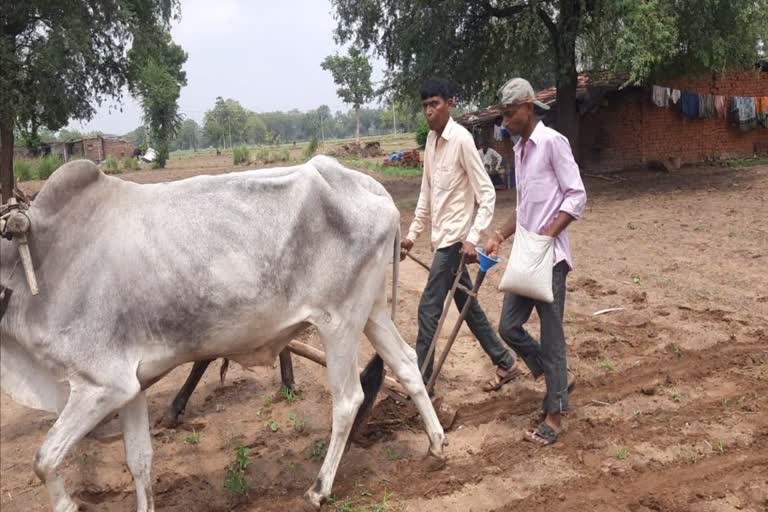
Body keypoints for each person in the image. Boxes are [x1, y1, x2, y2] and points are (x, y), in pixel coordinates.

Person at [483, 77, 587, 446]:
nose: (505, 121)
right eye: (504, 115)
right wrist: (498, 235)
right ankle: (556, 378)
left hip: (550, 257)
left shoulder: (552, 144)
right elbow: (525, 208)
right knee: (509, 326)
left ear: (528, 107)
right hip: (527, 255)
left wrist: (548, 233)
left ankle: (555, 416)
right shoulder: (521, 150)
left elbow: (576, 197)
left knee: (551, 334)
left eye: (509, 114)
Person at [401, 78, 522, 393]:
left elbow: (486, 193)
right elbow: (426, 193)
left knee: (428, 307)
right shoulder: (430, 141)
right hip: (441, 239)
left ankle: (422, 383)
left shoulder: (463, 140)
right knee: (468, 304)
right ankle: (505, 361)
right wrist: (412, 234)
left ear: (450, 103)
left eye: (435, 104)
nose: (429, 111)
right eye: (425, 105)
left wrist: (472, 237)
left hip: (455, 242)